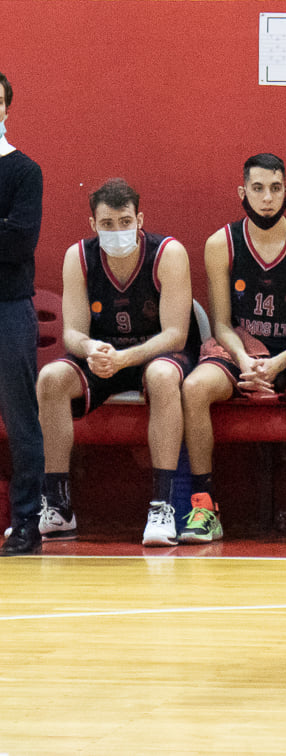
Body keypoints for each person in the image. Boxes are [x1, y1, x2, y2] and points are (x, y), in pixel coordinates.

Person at [181, 153, 286, 546]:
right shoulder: (221, 243)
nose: (267, 197)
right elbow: (220, 323)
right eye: (258, 188)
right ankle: (204, 505)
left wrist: (277, 362)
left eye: (275, 188)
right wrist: (247, 360)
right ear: (242, 192)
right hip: (241, 350)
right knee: (195, 387)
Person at [35, 178, 195, 546]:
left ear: (140, 219)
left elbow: (176, 334)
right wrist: (91, 348)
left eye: (125, 222)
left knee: (161, 375)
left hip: (154, 353)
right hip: (103, 357)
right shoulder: (78, 256)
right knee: (51, 378)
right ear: (93, 225)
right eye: (107, 224)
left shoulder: (168, 253)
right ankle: (57, 507)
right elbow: (72, 332)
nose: (117, 231)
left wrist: (125, 358)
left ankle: (162, 505)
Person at [0, 71, 46, 556]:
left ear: (7, 108)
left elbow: (18, 241)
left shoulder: (24, 171)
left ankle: (27, 523)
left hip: (8, 307)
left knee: (20, 419)